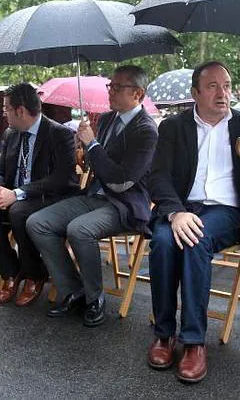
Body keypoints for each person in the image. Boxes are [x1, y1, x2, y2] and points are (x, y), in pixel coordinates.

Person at [147, 60, 240, 383]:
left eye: (227, 86)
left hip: (227, 211)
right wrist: (175, 212)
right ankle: (163, 334)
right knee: (161, 240)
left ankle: (193, 342)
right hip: (183, 206)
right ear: (195, 93)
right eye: (213, 86)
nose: (223, 93)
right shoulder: (173, 128)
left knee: (196, 240)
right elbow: (158, 177)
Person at [27, 65, 157, 327]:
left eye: (118, 87)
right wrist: (84, 149)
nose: (111, 91)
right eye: (111, 85)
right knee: (37, 222)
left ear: (138, 94)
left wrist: (93, 145)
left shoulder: (147, 131)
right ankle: (73, 289)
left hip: (126, 205)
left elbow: (121, 182)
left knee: (79, 229)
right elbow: (98, 166)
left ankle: (94, 298)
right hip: (96, 195)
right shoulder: (107, 118)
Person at [0, 83, 78, 306]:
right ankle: (10, 272)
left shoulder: (59, 133)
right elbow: (2, 171)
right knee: (14, 208)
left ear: (20, 111)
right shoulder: (11, 133)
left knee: (18, 211)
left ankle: (35, 275)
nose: (3, 113)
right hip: (16, 196)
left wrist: (18, 192)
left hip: (51, 197)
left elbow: (63, 179)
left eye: (6, 108)